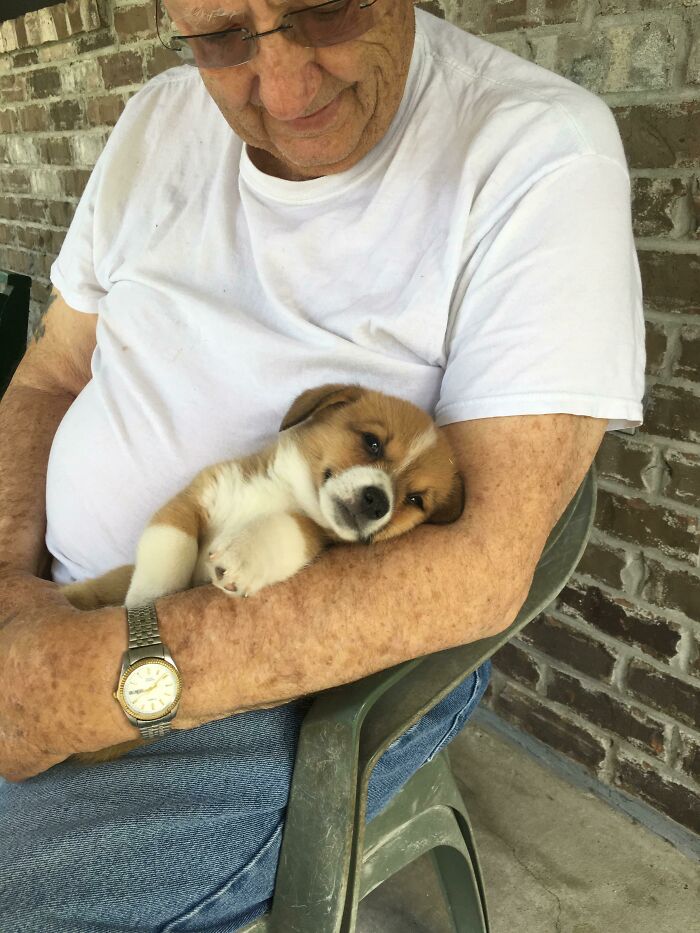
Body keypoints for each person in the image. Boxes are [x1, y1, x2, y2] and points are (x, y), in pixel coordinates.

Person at [0, 0, 644, 928]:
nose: (287, 85)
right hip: (55, 607)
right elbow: (50, 375)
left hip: (273, 680)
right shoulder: (154, 121)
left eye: (328, 8)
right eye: (222, 37)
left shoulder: (536, 153)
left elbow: (480, 566)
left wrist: (93, 675)